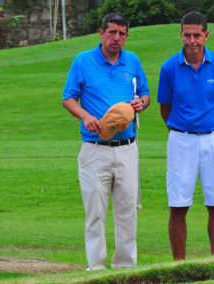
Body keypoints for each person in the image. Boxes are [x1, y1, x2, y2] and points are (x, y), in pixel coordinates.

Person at [62, 13, 150, 270]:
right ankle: (97, 268)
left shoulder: (132, 61)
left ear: (126, 36)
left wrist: (140, 103)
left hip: (127, 148)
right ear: (101, 33)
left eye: (122, 33)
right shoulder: (83, 61)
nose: (116, 38)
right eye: (112, 32)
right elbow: (68, 97)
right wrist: (86, 116)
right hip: (94, 148)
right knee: (96, 212)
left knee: (127, 211)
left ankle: (125, 266)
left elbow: (144, 94)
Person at [157, 11, 214, 260]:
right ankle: (179, 265)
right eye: (187, 35)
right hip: (181, 140)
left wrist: (211, 127)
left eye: (197, 35)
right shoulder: (169, 67)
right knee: (178, 206)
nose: (192, 41)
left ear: (206, 35)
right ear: (181, 34)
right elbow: (165, 109)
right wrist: (184, 131)